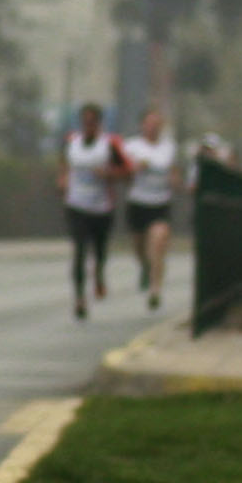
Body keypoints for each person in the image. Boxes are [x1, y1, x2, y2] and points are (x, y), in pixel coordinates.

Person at [61, 101, 127, 319]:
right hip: (76, 205)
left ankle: (99, 274)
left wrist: (109, 175)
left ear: (99, 124)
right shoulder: (71, 142)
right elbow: (64, 164)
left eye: (92, 122)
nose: (88, 126)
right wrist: (62, 180)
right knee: (79, 251)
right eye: (85, 122)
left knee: (99, 251)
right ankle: (80, 298)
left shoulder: (110, 144)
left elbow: (127, 171)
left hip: (101, 208)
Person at [118, 105, 182, 312]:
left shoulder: (169, 147)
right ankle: (145, 266)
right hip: (138, 202)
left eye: (157, 124)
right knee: (139, 247)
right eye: (149, 124)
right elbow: (123, 176)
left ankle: (155, 289)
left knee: (158, 243)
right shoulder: (131, 147)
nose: (153, 128)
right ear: (142, 125)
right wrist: (135, 169)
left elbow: (174, 174)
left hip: (160, 203)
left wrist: (175, 182)